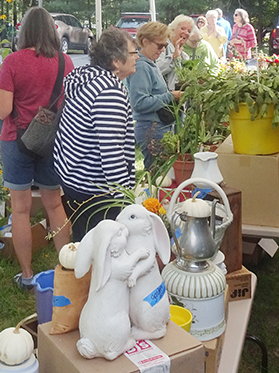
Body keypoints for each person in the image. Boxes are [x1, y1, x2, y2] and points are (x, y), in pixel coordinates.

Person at [0, 7, 73, 290]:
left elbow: (3, 111)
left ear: (24, 31)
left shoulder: (13, 62)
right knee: (54, 205)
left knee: (21, 210)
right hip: (52, 140)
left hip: (17, 140)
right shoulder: (65, 62)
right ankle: (66, 269)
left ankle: (27, 275)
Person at [54, 27, 138, 241]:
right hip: (96, 191)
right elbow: (112, 153)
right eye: (133, 52)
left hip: (74, 180)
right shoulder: (108, 92)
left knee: (84, 244)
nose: (137, 57)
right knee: (102, 253)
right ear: (116, 61)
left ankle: (81, 274)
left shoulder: (87, 79)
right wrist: (125, 202)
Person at [125, 22, 182, 171]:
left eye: (165, 46)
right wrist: (170, 96)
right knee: (159, 176)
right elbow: (139, 102)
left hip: (157, 127)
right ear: (145, 42)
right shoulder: (142, 67)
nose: (163, 50)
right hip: (151, 129)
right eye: (160, 46)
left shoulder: (149, 63)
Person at [156, 14, 193, 90]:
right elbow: (157, 71)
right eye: (182, 28)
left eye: (189, 31)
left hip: (181, 98)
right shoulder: (163, 48)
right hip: (165, 97)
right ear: (173, 29)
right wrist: (174, 58)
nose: (186, 33)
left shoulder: (185, 56)